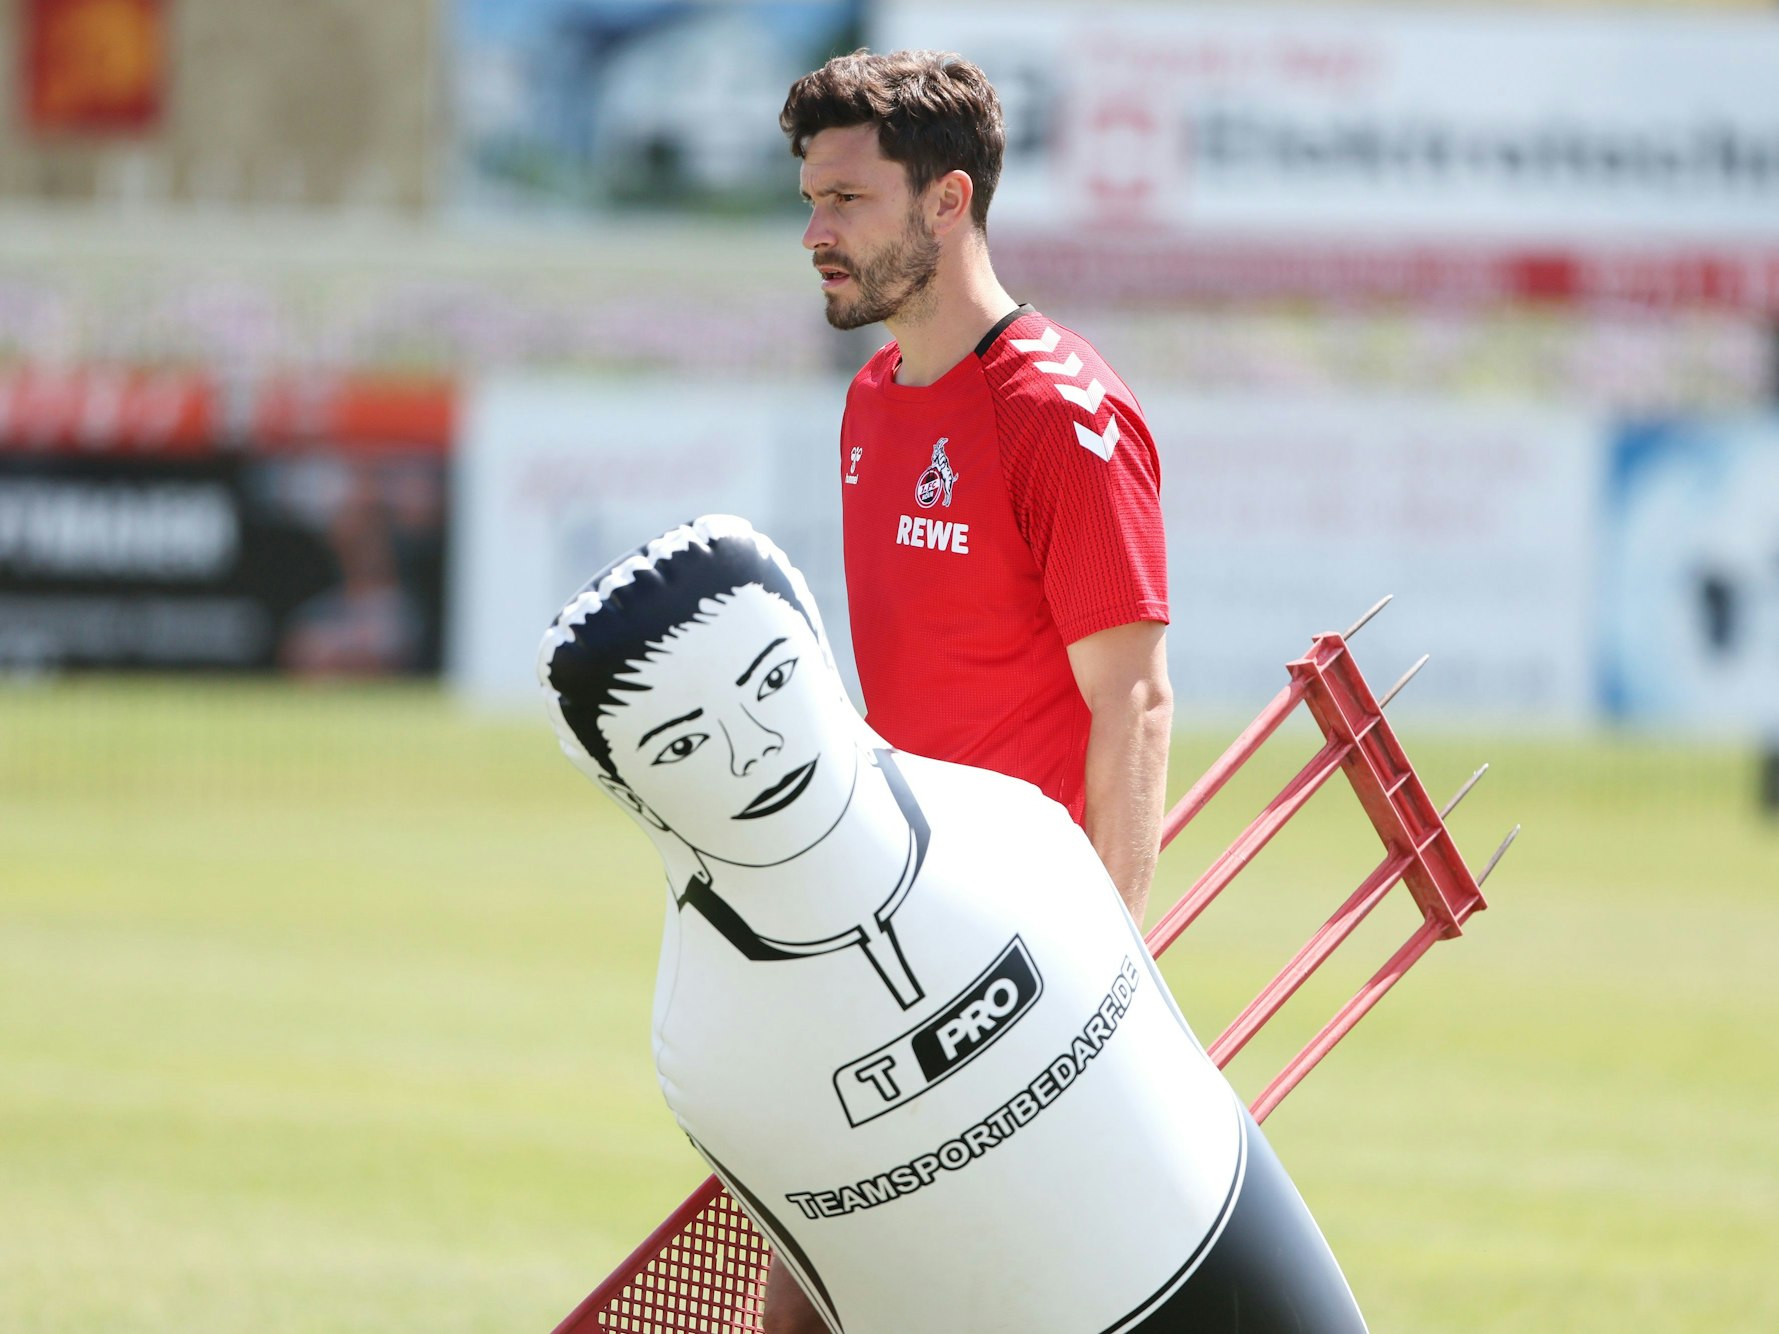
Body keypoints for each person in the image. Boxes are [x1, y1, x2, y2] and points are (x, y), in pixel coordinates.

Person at [538, 517, 1366, 1334]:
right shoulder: (1018, 834)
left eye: (770, 683)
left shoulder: (704, 1043)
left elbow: (806, 1302)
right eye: (682, 745)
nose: (750, 749)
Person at [776, 49, 1174, 1330]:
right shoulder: (868, 399)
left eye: (848, 200)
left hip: (1018, 977)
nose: (816, 232)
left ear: (948, 201)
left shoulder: (1058, 413)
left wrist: (1102, 980)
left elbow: (1134, 702)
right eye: (812, 200)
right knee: (807, 1298)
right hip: (884, 940)